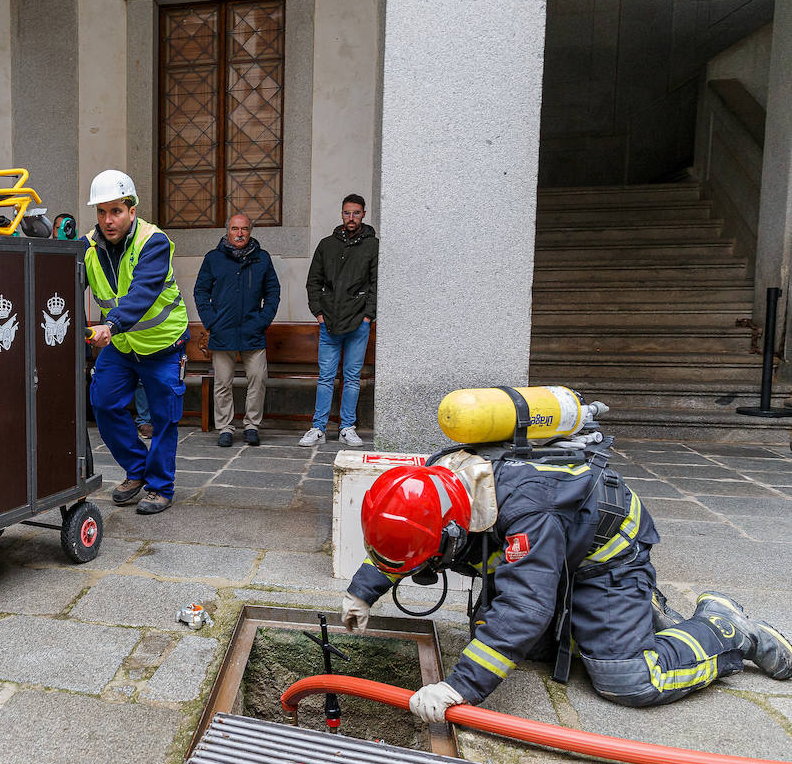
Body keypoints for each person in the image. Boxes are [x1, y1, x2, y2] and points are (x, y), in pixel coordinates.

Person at [342, 432, 792, 724]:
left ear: (454, 529)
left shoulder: (526, 510)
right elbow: (402, 542)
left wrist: (458, 687)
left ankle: (726, 627)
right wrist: (363, 592)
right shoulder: (437, 489)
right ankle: (635, 615)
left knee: (628, 679)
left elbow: (524, 609)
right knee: (525, 646)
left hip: (606, 554)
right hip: (551, 547)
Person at [84, 169, 190, 515]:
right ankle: (137, 469)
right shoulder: (87, 246)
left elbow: (143, 291)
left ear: (132, 210)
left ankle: (160, 487)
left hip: (162, 345)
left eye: (115, 211)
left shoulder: (153, 242)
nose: (107, 220)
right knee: (102, 403)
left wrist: (110, 326)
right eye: (101, 212)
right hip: (121, 346)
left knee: (163, 418)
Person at [193, 213, 281, 447]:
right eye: (235, 229)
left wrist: (263, 320)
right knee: (222, 383)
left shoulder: (262, 258)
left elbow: (273, 292)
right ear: (227, 231)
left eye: (244, 229)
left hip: (253, 330)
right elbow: (200, 292)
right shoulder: (213, 258)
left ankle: (252, 425)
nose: (239, 233)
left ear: (250, 231)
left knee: (258, 379)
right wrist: (211, 321)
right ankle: (225, 427)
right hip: (222, 331)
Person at [300, 195, 376, 448]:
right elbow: (314, 281)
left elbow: (377, 284)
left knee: (352, 376)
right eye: (347, 213)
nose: (351, 218)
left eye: (355, 213)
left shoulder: (372, 246)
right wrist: (318, 312)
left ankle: (347, 427)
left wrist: (368, 315)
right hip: (330, 321)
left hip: (358, 322)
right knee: (326, 376)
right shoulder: (327, 245)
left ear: (364, 214)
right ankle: (318, 427)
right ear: (341, 214)